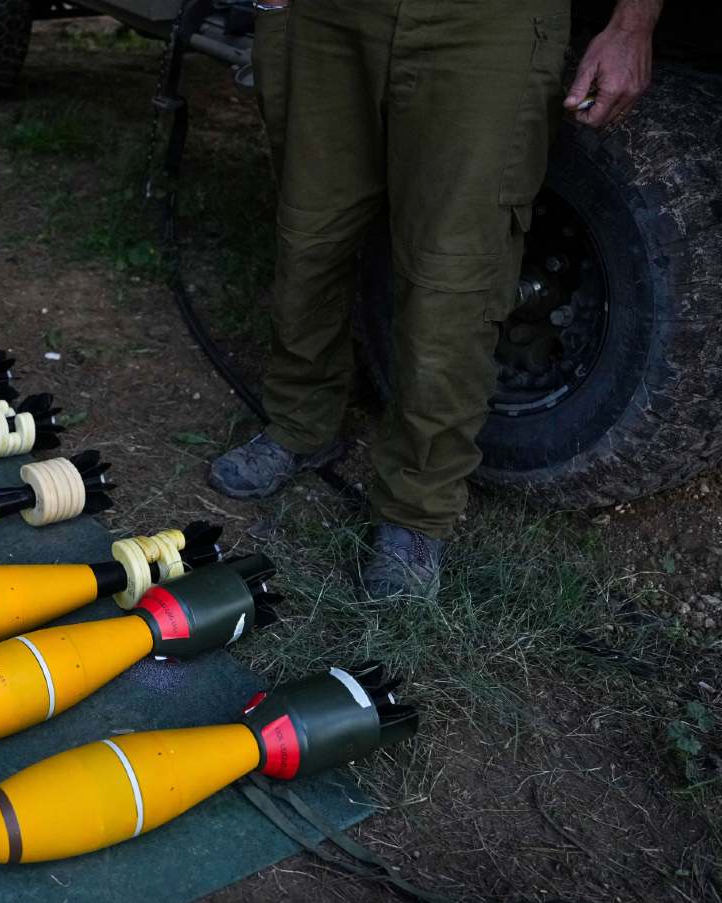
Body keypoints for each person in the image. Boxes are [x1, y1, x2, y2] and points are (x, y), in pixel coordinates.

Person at [210, 0, 663, 600]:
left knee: (455, 275)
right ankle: (300, 422)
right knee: (310, 236)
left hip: (484, 26)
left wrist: (632, 25)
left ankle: (418, 508)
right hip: (324, 17)